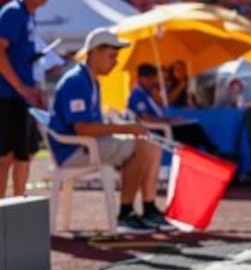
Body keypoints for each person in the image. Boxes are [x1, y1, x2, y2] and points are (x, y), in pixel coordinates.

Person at [49, 27, 171, 234]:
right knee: (141, 145)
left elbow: (90, 125)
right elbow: (82, 128)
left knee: (152, 145)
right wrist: (125, 128)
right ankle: (125, 213)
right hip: (72, 150)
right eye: (112, 56)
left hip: (84, 145)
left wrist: (123, 129)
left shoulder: (90, 80)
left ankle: (148, 208)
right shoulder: (77, 82)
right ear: (95, 52)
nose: (115, 62)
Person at [0, 0, 48, 198]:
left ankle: (18, 208)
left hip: (21, 98)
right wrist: (19, 86)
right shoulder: (13, 12)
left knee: (24, 155)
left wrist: (32, 88)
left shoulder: (29, 15)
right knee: (4, 156)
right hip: (5, 96)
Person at [127, 63, 221, 156]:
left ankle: (210, 152)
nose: (154, 81)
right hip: (155, 131)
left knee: (192, 128)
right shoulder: (137, 95)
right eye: (151, 78)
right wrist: (169, 120)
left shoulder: (146, 92)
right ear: (143, 78)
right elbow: (147, 119)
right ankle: (211, 152)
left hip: (159, 127)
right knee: (192, 130)